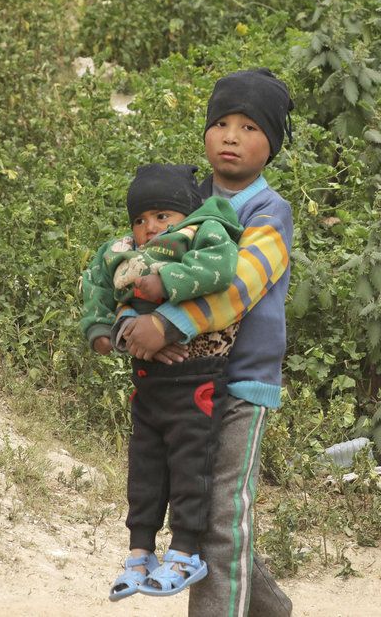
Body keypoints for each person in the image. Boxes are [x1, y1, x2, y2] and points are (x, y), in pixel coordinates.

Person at [117, 68, 295, 617]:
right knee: (191, 500)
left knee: (220, 513)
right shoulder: (182, 203)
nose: (231, 136)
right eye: (220, 123)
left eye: (249, 126)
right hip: (177, 381)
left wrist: (168, 325)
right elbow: (130, 266)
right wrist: (127, 327)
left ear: (273, 144)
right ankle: (267, 606)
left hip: (242, 381)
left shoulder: (269, 212)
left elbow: (240, 287)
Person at [80, 162, 245, 600]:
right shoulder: (120, 252)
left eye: (161, 217)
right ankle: (139, 553)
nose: (149, 227)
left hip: (197, 378)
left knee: (192, 466)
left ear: (184, 215)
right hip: (149, 379)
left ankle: (186, 551)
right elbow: (97, 284)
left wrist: (164, 282)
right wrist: (102, 329)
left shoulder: (203, 232)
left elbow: (222, 269)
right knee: (145, 470)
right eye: (140, 219)